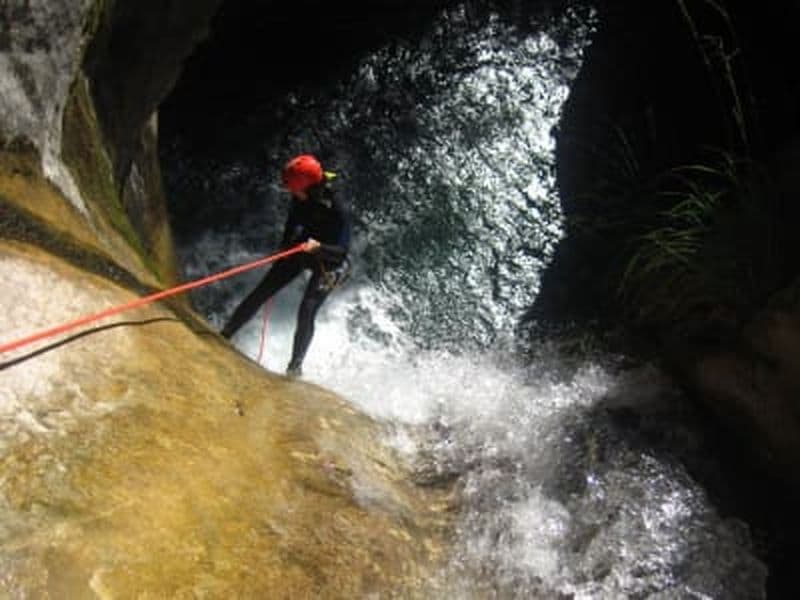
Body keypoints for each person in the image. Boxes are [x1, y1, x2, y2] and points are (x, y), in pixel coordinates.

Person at [221, 154, 352, 377]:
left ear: (309, 187)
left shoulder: (337, 207)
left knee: (307, 308)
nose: (291, 193)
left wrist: (319, 248)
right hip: (303, 248)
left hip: (331, 260)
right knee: (263, 290)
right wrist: (284, 248)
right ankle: (225, 335)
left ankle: (295, 368)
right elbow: (292, 222)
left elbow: (342, 252)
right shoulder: (300, 195)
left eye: (293, 189)